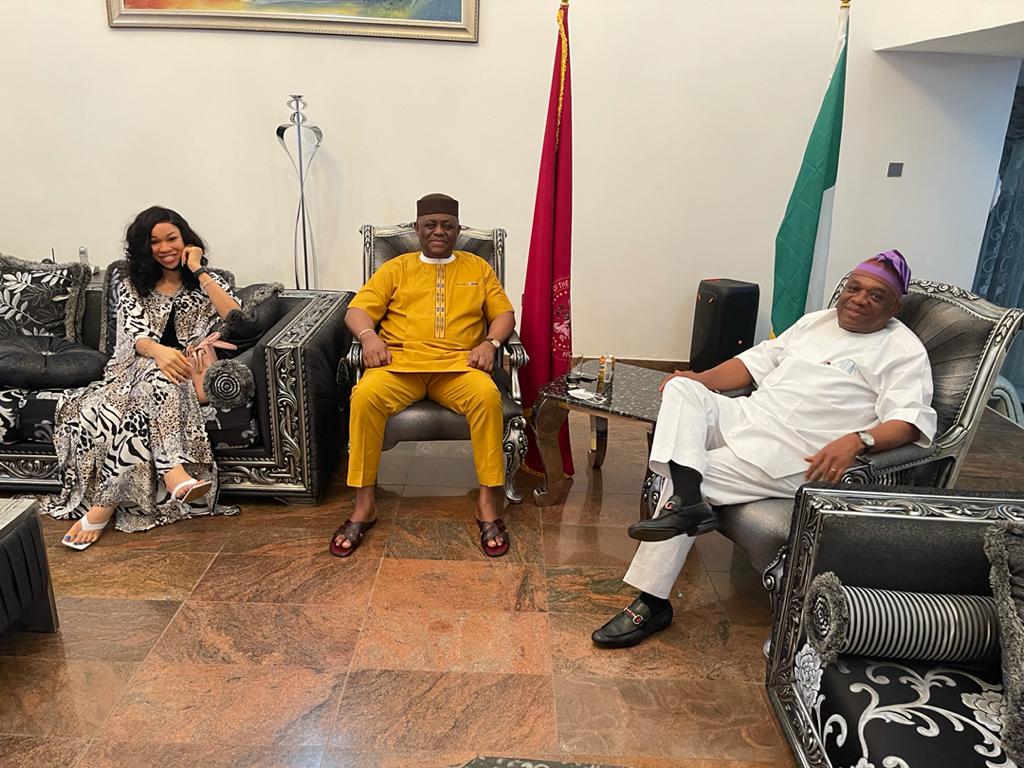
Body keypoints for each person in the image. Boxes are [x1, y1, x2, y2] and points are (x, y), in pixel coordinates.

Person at [592, 250, 937, 648]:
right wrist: (697, 377)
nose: (858, 300)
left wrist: (860, 439)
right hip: (750, 416)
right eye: (853, 288)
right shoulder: (816, 322)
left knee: (694, 469)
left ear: (894, 307)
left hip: (797, 453)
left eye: (876, 296)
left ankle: (652, 601)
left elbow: (911, 421)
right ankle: (687, 501)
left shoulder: (902, 350)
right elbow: (752, 364)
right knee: (683, 389)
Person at [41, 206, 242, 550]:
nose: (164, 248)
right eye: (154, 242)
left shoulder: (206, 281)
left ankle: (103, 507)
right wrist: (160, 352)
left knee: (150, 393)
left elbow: (235, 315)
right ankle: (173, 471)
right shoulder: (132, 283)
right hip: (134, 369)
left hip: (186, 374)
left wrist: (197, 269)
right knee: (156, 375)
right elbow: (135, 335)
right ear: (144, 247)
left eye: (171, 238)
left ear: (185, 239)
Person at [334, 193, 516, 558]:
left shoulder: (478, 268)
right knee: (365, 396)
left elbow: (504, 314)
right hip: (400, 365)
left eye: (447, 225)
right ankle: (364, 505)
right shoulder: (396, 268)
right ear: (417, 229)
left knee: (486, 396)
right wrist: (368, 337)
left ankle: (487, 503)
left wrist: (491, 344)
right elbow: (357, 311)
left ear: (458, 230)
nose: (438, 231)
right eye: (430, 224)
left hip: (459, 367)